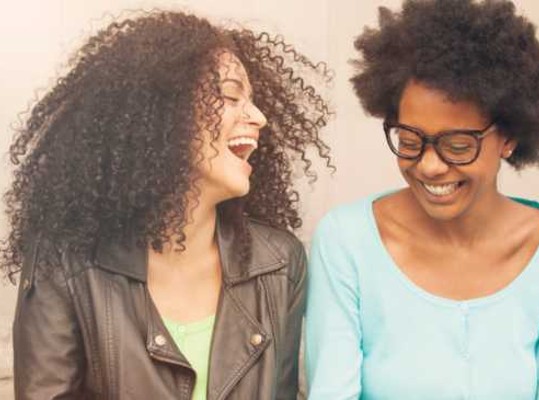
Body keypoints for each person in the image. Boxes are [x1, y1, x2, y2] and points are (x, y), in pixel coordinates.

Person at [4, 10, 332, 400]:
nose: (258, 117)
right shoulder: (63, 262)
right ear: (162, 111)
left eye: (254, 101)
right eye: (230, 96)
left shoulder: (280, 263)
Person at [305, 1, 539, 399]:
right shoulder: (346, 241)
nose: (429, 166)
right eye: (409, 141)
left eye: (457, 146)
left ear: (508, 137)